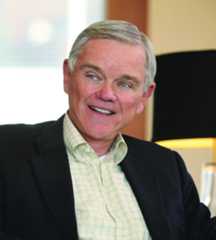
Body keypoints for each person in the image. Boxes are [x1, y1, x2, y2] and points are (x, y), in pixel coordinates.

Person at [0, 20, 215, 240]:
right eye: (93, 76)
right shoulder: (8, 152)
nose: (107, 94)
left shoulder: (166, 166)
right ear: (67, 76)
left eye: (125, 84)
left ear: (145, 96)